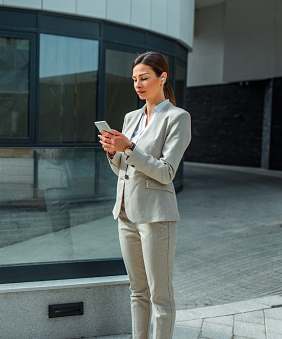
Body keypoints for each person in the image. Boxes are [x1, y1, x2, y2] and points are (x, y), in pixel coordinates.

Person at [98, 51, 191, 339]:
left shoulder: (177, 118)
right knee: (137, 290)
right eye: (134, 79)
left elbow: (166, 172)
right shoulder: (131, 117)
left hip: (156, 217)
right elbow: (124, 171)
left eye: (144, 78)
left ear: (162, 78)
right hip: (126, 214)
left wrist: (129, 148)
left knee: (160, 295)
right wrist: (114, 153)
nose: (138, 84)